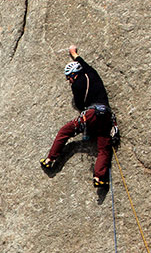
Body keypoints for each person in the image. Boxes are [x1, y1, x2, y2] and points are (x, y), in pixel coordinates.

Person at [40, 45, 114, 188]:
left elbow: (80, 105)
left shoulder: (77, 85)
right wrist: (73, 53)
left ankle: (50, 159)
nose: (69, 81)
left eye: (69, 78)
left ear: (74, 75)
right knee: (104, 149)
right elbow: (82, 62)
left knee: (65, 131)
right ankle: (99, 177)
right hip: (106, 116)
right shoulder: (91, 72)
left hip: (91, 115)